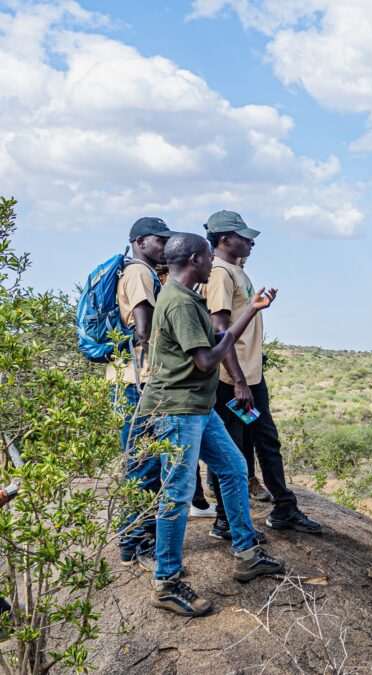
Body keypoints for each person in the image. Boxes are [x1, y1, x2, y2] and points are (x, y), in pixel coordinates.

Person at [139, 232, 285, 617]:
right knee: (177, 492)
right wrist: (249, 314)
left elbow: (214, 345)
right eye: (206, 256)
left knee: (235, 468)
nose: (211, 262)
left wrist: (249, 311)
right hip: (177, 409)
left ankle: (246, 553)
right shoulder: (180, 301)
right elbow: (207, 360)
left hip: (198, 408)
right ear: (193, 260)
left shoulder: (186, 297)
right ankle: (166, 582)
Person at [202, 210, 322, 537]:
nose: (251, 241)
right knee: (236, 452)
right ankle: (226, 522)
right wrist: (239, 380)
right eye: (243, 236)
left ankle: (284, 508)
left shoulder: (233, 271)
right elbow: (219, 331)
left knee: (266, 443)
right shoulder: (218, 274)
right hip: (231, 382)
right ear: (225, 239)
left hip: (249, 379)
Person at [106, 217, 175, 565]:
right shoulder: (138, 273)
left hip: (132, 379)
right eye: (158, 240)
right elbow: (143, 327)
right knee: (143, 464)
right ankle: (135, 542)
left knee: (143, 462)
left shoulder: (141, 272)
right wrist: (153, 376)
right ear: (140, 241)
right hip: (138, 380)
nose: (164, 245)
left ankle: (138, 537)